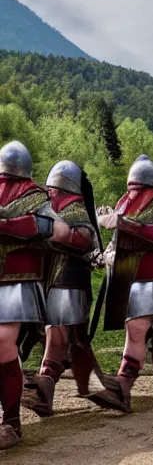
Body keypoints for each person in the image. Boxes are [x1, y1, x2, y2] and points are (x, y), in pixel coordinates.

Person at [23, 160, 125, 416]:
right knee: (68, 341)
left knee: (64, 340)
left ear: (64, 188)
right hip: (54, 284)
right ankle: (93, 388)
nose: (49, 192)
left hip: (70, 284)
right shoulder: (53, 207)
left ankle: (61, 391)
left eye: (52, 189)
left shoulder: (76, 209)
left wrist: (55, 236)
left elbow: (84, 239)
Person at [95, 155, 153, 411]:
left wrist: (125, 223)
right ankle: (130, 383)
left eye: (136, 187)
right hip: (128, 279)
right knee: (139, 333)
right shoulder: (124, 203)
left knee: (137, 332)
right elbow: (117, 240)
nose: (133, 191)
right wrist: (109, 253)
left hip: (150, 279)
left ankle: (123, 386)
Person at [0, 141, 56, 449]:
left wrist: (5, 225)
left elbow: (46, 225)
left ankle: (11, 424)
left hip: (19, 281)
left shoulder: (36, 194)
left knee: (4, 343)